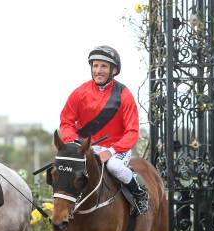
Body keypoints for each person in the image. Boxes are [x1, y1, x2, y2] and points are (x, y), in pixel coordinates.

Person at [59, 45, 149, 214]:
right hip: (86, 147)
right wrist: (72, 142)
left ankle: (139, 193)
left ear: (114, 70)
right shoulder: (79, 93)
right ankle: (62, 207)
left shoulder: (124, 95)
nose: (98, 70)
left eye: (103, 66)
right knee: (64, 166)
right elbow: (66, 122)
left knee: (114, 166)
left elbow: (132, 132)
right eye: (95, 66)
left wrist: (112, 150)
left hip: (116, 148)